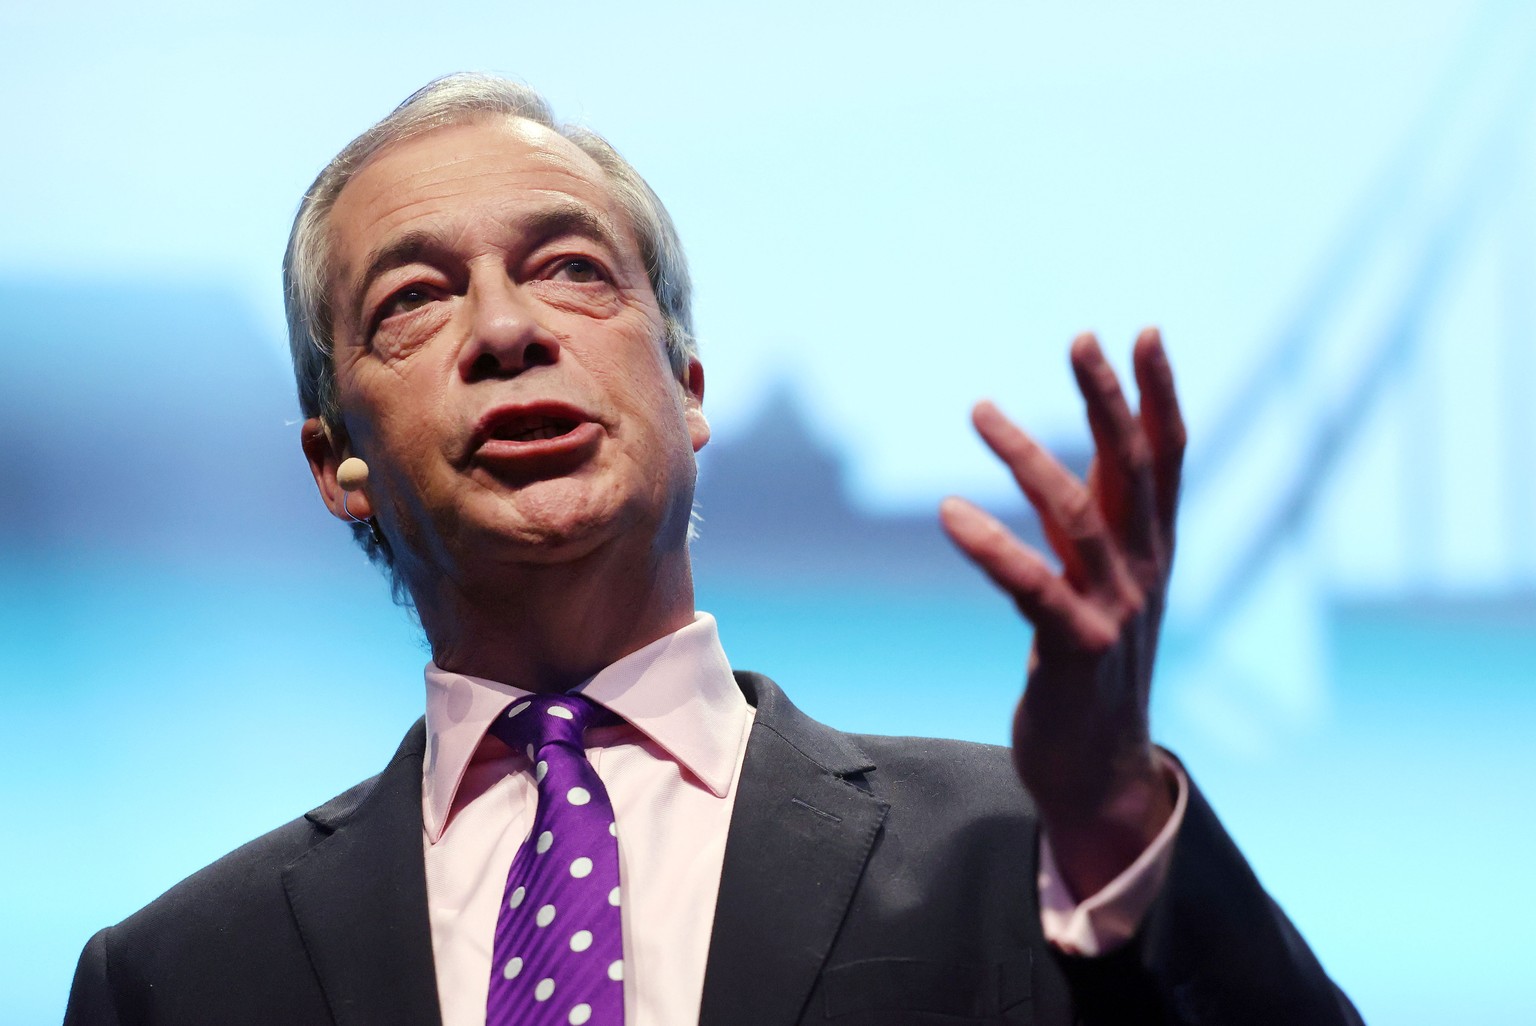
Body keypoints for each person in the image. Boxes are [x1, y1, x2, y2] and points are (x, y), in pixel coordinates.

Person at [64, 73, 1361, 1026]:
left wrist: (1120, 812)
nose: (505, 329)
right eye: (413, 299)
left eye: (571, 268)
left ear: (687, 390)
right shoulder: (174, 977)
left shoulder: (1026, 857)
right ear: (336, 461)